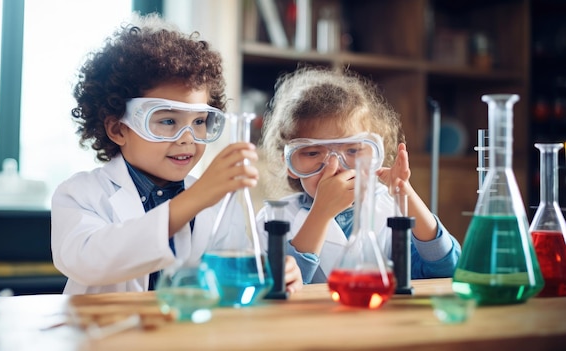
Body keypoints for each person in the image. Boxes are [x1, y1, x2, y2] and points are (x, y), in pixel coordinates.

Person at [50, 12, 303, 295]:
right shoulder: (79, 193)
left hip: (183, 336)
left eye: (199, 122)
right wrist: (194, 200)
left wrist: (269, 273)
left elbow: (225, 278)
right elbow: (89, 261)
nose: (188, 139)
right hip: (104, 335)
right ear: (118, 129)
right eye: (168, 121)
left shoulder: (215, 203)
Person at [256, 66, 461, 284]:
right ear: (289, 163)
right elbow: (276, 287)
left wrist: (405, 195)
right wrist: (321, 213)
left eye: (352, 151)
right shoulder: (273, 218)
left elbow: (446, 269)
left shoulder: (391, 209)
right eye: (314, 152)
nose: (334, 167)